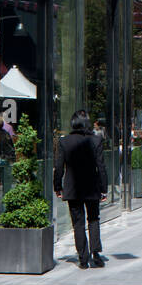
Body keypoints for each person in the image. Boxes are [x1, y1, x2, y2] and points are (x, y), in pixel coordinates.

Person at [54, 110, 108, 269]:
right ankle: (96, 254)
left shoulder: (65, 141)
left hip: (73, 188)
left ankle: (82, 258)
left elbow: (58, 167)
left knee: (77, 223)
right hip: (92, 186)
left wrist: (57, 186)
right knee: (93, 219)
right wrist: (104, 188)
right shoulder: (96, 140)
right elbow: (101, 166)